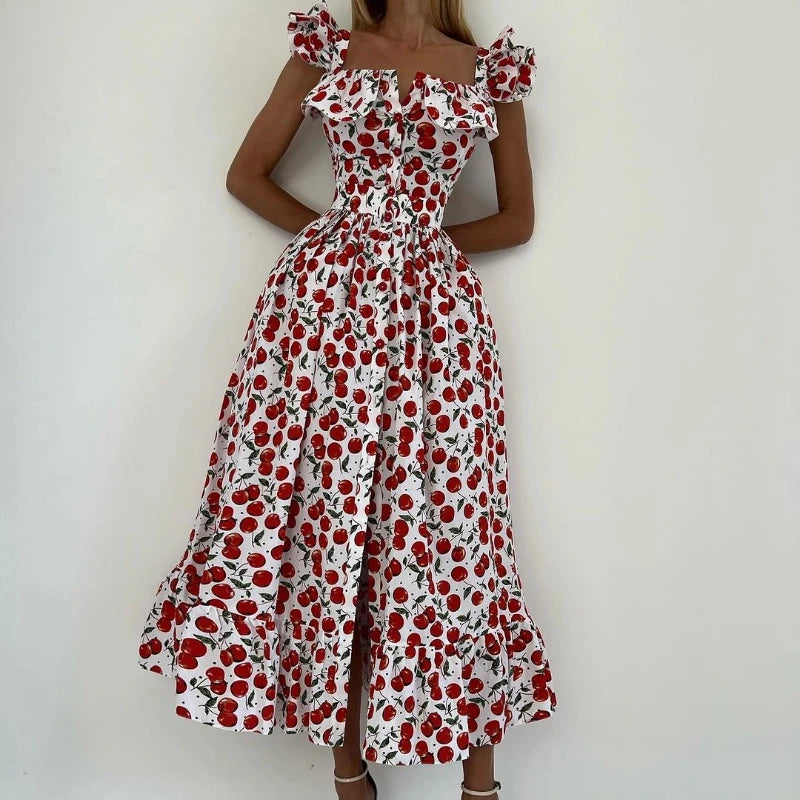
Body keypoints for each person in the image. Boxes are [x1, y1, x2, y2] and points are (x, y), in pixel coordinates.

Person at [136, 2, 556, 798]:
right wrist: (342, 242)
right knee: (328, 516)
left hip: (436, 326)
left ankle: (480, 785)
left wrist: (418, 249)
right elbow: (246, 176)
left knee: (452, 531)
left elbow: (517, 220)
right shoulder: (328, 48)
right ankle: (347, 769)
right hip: (321, 317)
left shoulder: (490, 72)